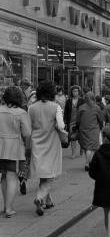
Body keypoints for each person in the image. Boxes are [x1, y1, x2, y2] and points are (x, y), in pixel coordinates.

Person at [28, 81, 64, 216]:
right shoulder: (56, 106)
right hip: (51, 142)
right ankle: (39, 197)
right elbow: (60, 126)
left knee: (43, 173)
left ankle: (47, 202)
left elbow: (27, 126)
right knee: (51, 174)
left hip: (36, 142)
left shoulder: (31, 107)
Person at [0, 87, 31, 218]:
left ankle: (5, 205)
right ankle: (9, 208)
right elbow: (27, 133)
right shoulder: (21, 113)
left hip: (0, 148)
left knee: (3, 177)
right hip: (15, 149)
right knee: (12, 177)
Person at [77, 92, 104, 171]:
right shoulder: (97, 108)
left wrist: (78, 126)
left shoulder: (81, 107)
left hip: (83, 129)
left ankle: (89, 162)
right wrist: (101, 127)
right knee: (91, 147)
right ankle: (87, 163)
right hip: (93, 129)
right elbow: (100, 119)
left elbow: (78, 119)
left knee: (87, 147)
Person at [64, 85, 84, 159]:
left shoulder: (82, 101)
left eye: (76, 91)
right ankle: (73, 153)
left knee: (80, 137)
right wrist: (65, 121)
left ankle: (82, 148)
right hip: (71, 121)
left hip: (80, 121)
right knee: (72, 137)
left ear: (79, 92)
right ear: (71, 92)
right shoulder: (68, 101)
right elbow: (66, 112)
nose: (75, 92)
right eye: (73, 91)